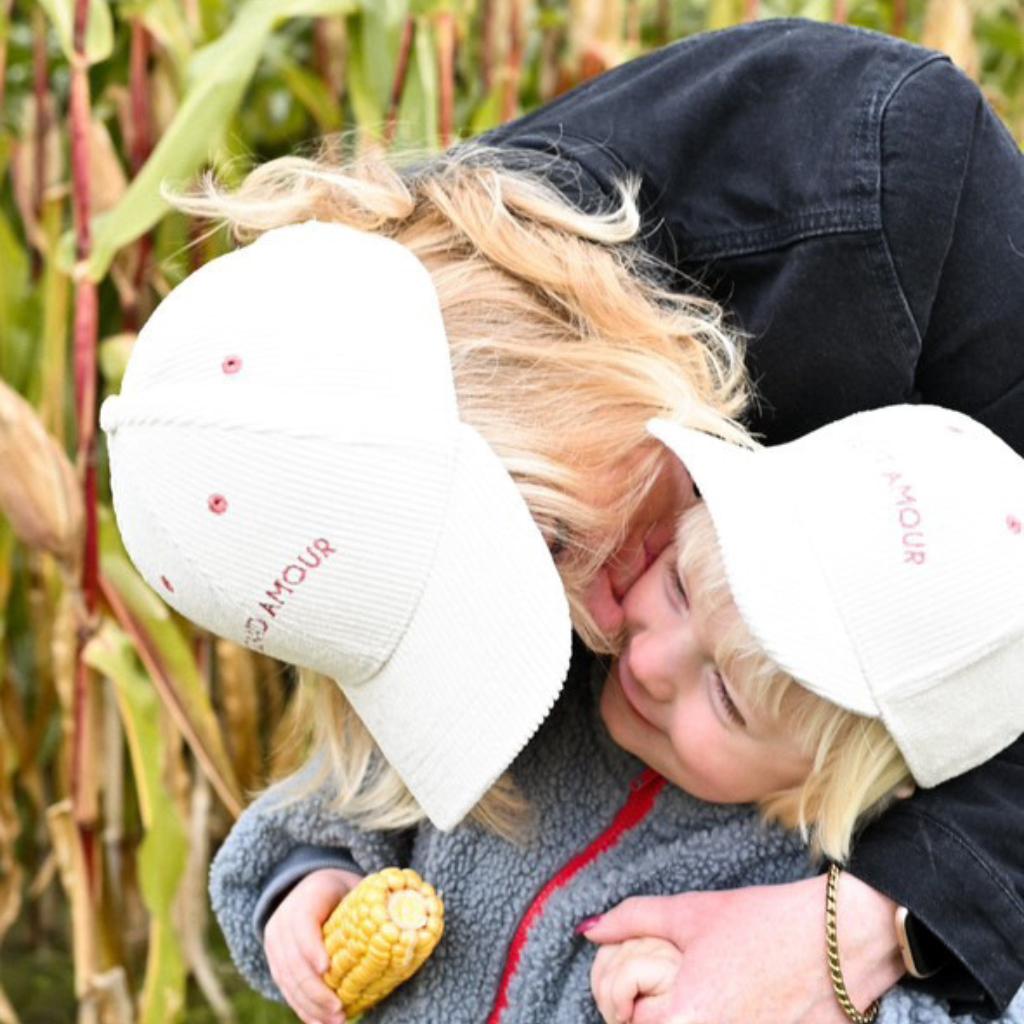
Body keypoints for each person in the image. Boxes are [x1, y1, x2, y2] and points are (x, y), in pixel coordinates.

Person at [139, 16, 1024, 1022]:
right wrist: (305, 885)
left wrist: (866, 927)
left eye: (552, 546)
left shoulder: (884, 191)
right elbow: (332, 805)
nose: (617, 639)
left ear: (577, 385)